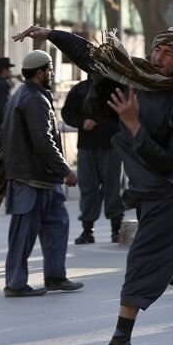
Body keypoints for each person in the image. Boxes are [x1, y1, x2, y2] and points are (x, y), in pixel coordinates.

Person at [13, 25, 173, 345]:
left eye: (168, 54)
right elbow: (94, 58)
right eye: (157, 50)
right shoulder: (138, 79)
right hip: (150, 194)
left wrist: (134, 125)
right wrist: (50, 33)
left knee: (141, 259)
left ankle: (120, 339)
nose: (158, 58)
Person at [0, 50, 83, 297]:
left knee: (58, 225)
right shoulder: (34, 99)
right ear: (40, 73)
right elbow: (43, 141)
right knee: (23, 234)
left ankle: (56, 277)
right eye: (49, 70)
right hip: (31, 180)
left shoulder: (22, 95)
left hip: (42, 179)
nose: (51, 74)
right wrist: (65, 169)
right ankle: (15, 284)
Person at [61, 75, 125, 244]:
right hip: (87, 146)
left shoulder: (117, 86)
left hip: (112, 145)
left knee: (113, 189)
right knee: (88, 188)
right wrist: (82, 122)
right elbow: (67, 112)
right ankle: (87, 230)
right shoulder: (80, 89)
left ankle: (116, 229)